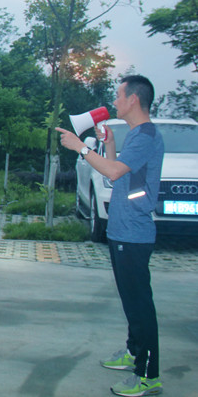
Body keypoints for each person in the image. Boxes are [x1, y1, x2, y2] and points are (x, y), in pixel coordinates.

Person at [57, 75, 164, 397]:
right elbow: (119, 173)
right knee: (130, 302)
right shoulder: (136, 135)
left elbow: (114, 172)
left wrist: (81, 148)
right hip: (123, 230)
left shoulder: (146, 135)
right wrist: (111, 145)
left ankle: (149, 376)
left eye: (118, 96)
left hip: (134, 233)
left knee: (140, 305)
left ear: (133, 99)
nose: (114, 101)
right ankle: (133, 352)